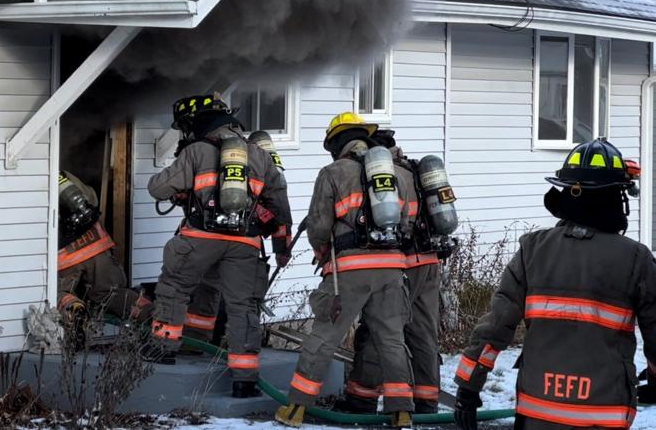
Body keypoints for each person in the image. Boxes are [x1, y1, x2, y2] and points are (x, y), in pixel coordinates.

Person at [453, 138, 656, 430]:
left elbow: (495, 327)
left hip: (538, 410)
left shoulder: (532, 250)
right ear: (616, 198)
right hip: (604, 414)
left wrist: (468, 387)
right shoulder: (636, 259)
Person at [144, 95, 292, 399]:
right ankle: (245, 378)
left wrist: (186, 179)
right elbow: (279, 207)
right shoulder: (259, 156)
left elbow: (158, 188)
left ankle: (164, 349)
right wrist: (281, 248)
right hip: (245, 243)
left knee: (174, 287)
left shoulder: (197, 150)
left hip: (201, 237)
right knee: (243, 307)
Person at [275, 112, 414, 428]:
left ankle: (296, 408)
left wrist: (322, 250)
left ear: (336, 143)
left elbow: (319, 226)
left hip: (349, 270)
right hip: (393, 268)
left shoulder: (332, 173)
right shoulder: (399, 175)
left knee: (325, 336)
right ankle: (402, 412)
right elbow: (406, 223)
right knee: (392, 339)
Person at [337, 129, 447, 415]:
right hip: (430, 261)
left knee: (381, 328)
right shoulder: (415, 170)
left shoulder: (386, 177)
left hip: (402, 263)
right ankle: (427, 401)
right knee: (424, 332)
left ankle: (361, 398)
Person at [181, 130, 291, 348]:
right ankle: (238, 348)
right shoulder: (265, 164)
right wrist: (282, 249)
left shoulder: (222, 158)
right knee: (244, 301)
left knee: (209, 291)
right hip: (248, 243)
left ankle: (197, 344)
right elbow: (281, 214)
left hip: (212, 239)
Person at [56, 171, 152, 329]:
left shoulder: (35, 184)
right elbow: (92, 198)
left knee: (56, 293)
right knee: (111, 292)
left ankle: (75, 311)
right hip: (97, 247)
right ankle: (150, 313)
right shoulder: (67, 176)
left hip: (66, 260)